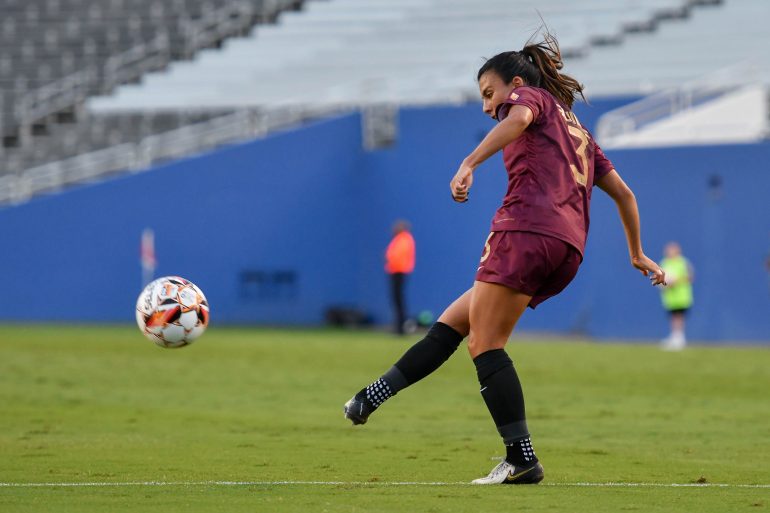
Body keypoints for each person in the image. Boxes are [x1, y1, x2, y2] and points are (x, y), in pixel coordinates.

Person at [343, 33, 665, 485]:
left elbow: (517, 120)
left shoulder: (531, 98)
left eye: (489, 93)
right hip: (566, 249)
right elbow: (625, 195)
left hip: (526, 231)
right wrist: (637, 253)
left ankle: (521, 458)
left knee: (485, 343)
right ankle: (368, 398)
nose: (485, 105)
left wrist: (469, 162)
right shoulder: (580, 132)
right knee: (455, 323)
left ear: (514, 83)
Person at [659, 242, 694, 351]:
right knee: (673, 317)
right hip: (670, 297)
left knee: (679, 317)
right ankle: (674, 336)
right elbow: (659, 278)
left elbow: (690, 277)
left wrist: (676, 281)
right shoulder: (664, 263)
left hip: (681, 296)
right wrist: (663, 284)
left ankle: (679, 338)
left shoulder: (682, 262)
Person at [385, 220, 416, 335]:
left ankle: (400, 327)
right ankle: (399, 326)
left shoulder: (404, 239)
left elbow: (397, 256)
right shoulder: (401, 239)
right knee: (397, 300)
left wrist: (390, 260)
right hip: (396, 271)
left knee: (398, 300)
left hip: (399, 271)